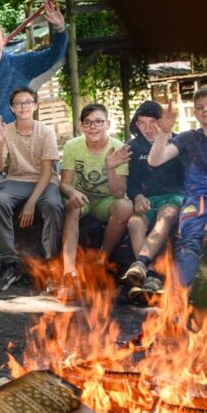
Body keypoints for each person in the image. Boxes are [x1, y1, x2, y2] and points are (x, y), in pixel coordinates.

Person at [0, 0, 67, 204]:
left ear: (3, 40)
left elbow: (53, 55)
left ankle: (28, 226)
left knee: (25, 187)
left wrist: (60, 29)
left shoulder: (21, 63)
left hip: (19, 138)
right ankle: (2, 235)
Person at [148, 88, 207, 288]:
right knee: (189, 241)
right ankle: (177, 300)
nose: (205, 109)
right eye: (199, 107)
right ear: (195, 114)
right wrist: (164, 132)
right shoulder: (188, 138)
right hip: (197, 201)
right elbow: (155, 160)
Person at [0, 87, 63, 292]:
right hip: (16, 179)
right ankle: (9, 264)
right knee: (0, 201)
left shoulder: (46, 132)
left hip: (44, 181)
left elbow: (47, 172)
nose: (23, 106)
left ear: (36, 106)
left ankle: (51, 265)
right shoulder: (7, 131)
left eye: (28, 102)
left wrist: (31, 203)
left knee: (53, 205)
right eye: (19, 103)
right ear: (12, 108)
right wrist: (0, 141)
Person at [58, 103, 133, 302]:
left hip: (106, 200)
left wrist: (110, 168)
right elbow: (64, 184)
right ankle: (69, 273)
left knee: (125, 207)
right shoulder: (72, 146)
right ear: (81, 126)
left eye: (99, 122)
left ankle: (101, 260)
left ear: (107, 123)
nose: (93, 127)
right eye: (88, 123)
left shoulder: (118, 148)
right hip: (81, 196)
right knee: (73, 207)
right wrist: (72, 191)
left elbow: (119, 193)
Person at [121, 101, 185, 303]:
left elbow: (187, 179)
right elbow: (130, 183)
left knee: (166, 215)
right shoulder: (132, 147)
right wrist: (136, 196)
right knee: (134, 223)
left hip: (174, 197)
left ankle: (143, 266)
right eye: (141, 123)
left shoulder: (177, 143)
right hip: (147, 200)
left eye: (152, 122)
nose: (147, 128)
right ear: (136, 125)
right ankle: (147, 276)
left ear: (162, 122)